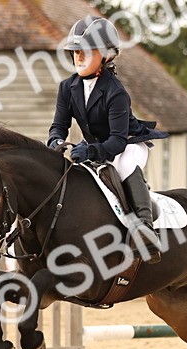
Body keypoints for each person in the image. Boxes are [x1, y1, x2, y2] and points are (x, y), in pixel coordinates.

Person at [48, 15, 169, 263]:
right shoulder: (67, 88)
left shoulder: (115, 91)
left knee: (124, 166)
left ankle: (145, 229)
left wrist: (91, 152)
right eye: (76, 52)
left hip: (127, 143)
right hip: (95, 144)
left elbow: (117, 141)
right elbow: (59, 126)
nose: (79, 57)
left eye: (86, 52)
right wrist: (55, 141)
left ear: (105, 55)